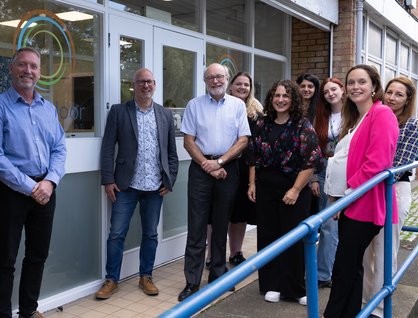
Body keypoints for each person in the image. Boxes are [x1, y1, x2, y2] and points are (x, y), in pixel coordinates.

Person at [323, 64, 399, 318]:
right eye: (351, 82)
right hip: (352, 203)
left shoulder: (382, 114)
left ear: (374, 87)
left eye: (362, 82)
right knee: (352, 266)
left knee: (344, 266)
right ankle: (349, 313)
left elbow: (377, 163)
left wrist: (345, 197)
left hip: (363, 204)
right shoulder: (358, 118)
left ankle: (334, 314)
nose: (356, 87)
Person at [96, 68, 178, 299]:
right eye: (141, 82)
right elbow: (108, 147)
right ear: (134, 85)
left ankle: (146, 276)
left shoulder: (164, 114)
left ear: (155, 85)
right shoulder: (119, 111)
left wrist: (170, 180)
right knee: (116, 234)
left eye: (150, 82)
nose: (146, 86)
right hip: (125, 186)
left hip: (155, 186)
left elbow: (171, 152)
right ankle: (111, 280)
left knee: (150, 234)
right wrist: (108, 179)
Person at [0, 47, 66, 318]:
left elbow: (60, 148)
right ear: (11, 69)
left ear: (40, 73)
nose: (28, 70)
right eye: (22, 65)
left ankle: (28, 311)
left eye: (34, 66)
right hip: (10, 193)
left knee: (37, 256)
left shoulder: (48, 108)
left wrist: (49, 182)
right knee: (5, 261)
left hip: (45, 192)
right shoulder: (2, 105)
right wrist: (30, 186)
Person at [178, 63, 251, 302]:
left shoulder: (238, 105)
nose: (215, 81)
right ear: (205, 81)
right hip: (201, 169)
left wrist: (219, 162)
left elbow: (242, 141)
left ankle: (218, 277)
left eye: (220, 76)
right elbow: (188, 141)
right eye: (210, 77)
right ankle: (192, 282)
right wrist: (207, 165)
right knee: (196, 227)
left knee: (221, 226)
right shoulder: (194, 105)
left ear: (227, 79)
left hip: (227, 168)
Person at [247, 80, 322, 305]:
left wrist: (296, 189)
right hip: (266, 187)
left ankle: (295, 289)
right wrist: (252, 184)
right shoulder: (262, 123)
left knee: (293, 239)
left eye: (285, 96)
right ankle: (271, 284)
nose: (280, 99)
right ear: (271, 98)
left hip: (294, 189)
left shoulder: (303, 125)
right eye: (277, 95)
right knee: (268, 236)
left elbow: (311, 161)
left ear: (293, 100)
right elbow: (254, 157)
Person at [362, 76, 418, 318]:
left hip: (393, 189)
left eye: (399, 95)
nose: (392, 98)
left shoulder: (412, 125)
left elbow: (400, 164)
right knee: (365, 251)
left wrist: (369, 175)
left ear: (407, 101)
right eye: (390, 92)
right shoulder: (372, 116)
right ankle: (364, 301)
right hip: (368, 187)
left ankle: (380, 305)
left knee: (386, 248)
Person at [205, 71, 263, 268]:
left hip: (245, 168)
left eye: (246, 85)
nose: (242, 87)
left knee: (239, 214)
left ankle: (236, 253)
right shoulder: (220, 107)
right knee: (215, 214)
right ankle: (212, 255)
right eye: (239, 83)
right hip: (221, 166)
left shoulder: (257, 114)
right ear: (230, 86)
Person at [314, 77, 345, 288]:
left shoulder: (354, 114)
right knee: (327, 226)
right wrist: (314, 178)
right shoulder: (321, 117)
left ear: (342, 90)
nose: (330, 94)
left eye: (333, 89)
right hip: (325, 172)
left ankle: (328, 272)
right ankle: (324, 273)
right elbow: (314, 150)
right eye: (326, 92)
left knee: (337, 226)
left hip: (346, 173)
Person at [296, 73, 321, 215]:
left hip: (312, 167)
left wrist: (314, 178)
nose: (306, 89)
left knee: (312, 209)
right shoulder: (292, 107)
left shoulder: (320, 111)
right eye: (303, 86)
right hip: (295, 165)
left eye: (310, 86)